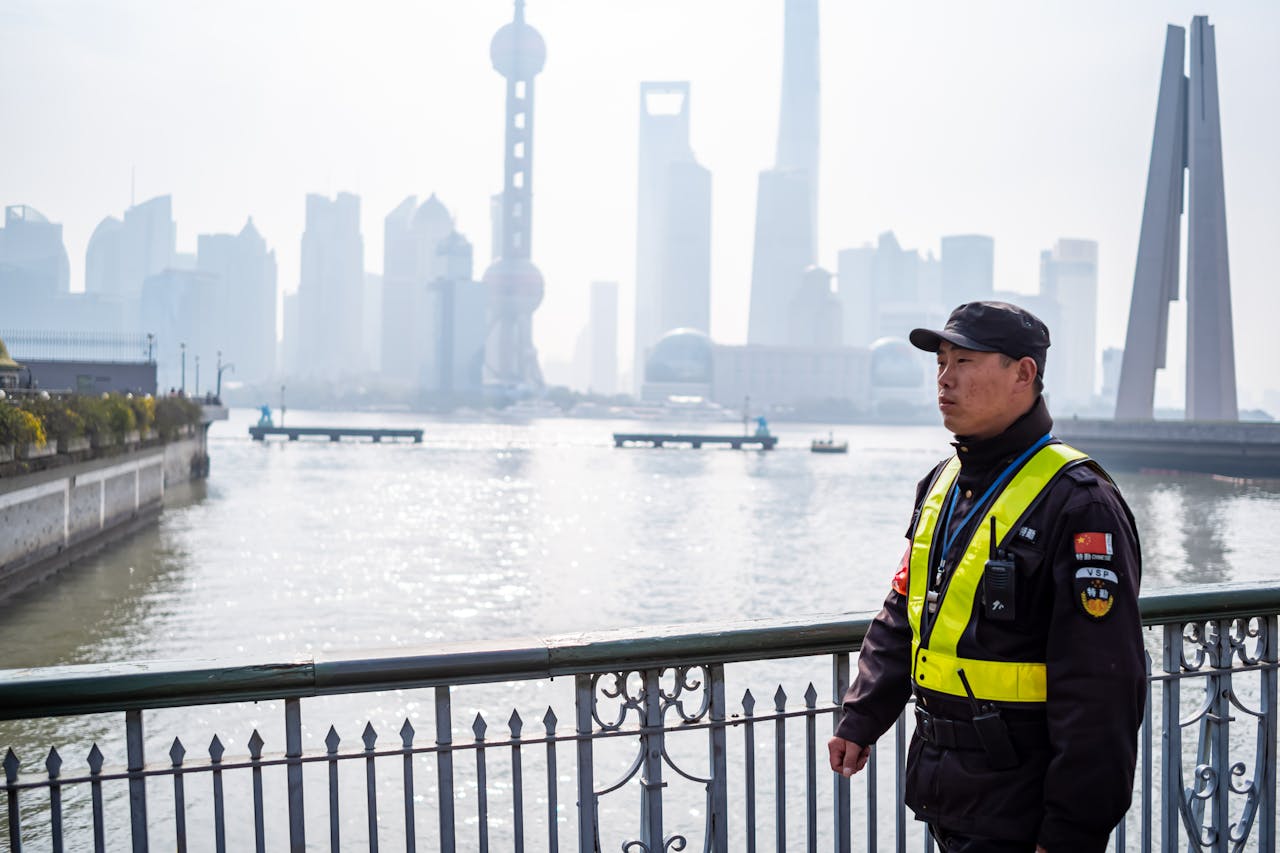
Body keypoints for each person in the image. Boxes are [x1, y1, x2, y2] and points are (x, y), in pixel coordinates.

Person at [827, 301, 1145, 853]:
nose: (945, 379)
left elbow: (1102, 688)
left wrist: (1071, 831)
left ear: (1024, 374)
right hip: (947, 789)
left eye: (965, 361)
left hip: (1024, 807)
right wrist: (862, 715)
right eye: (941, 363)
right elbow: (905, 610)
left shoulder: (1078, 503)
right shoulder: (943, 483)